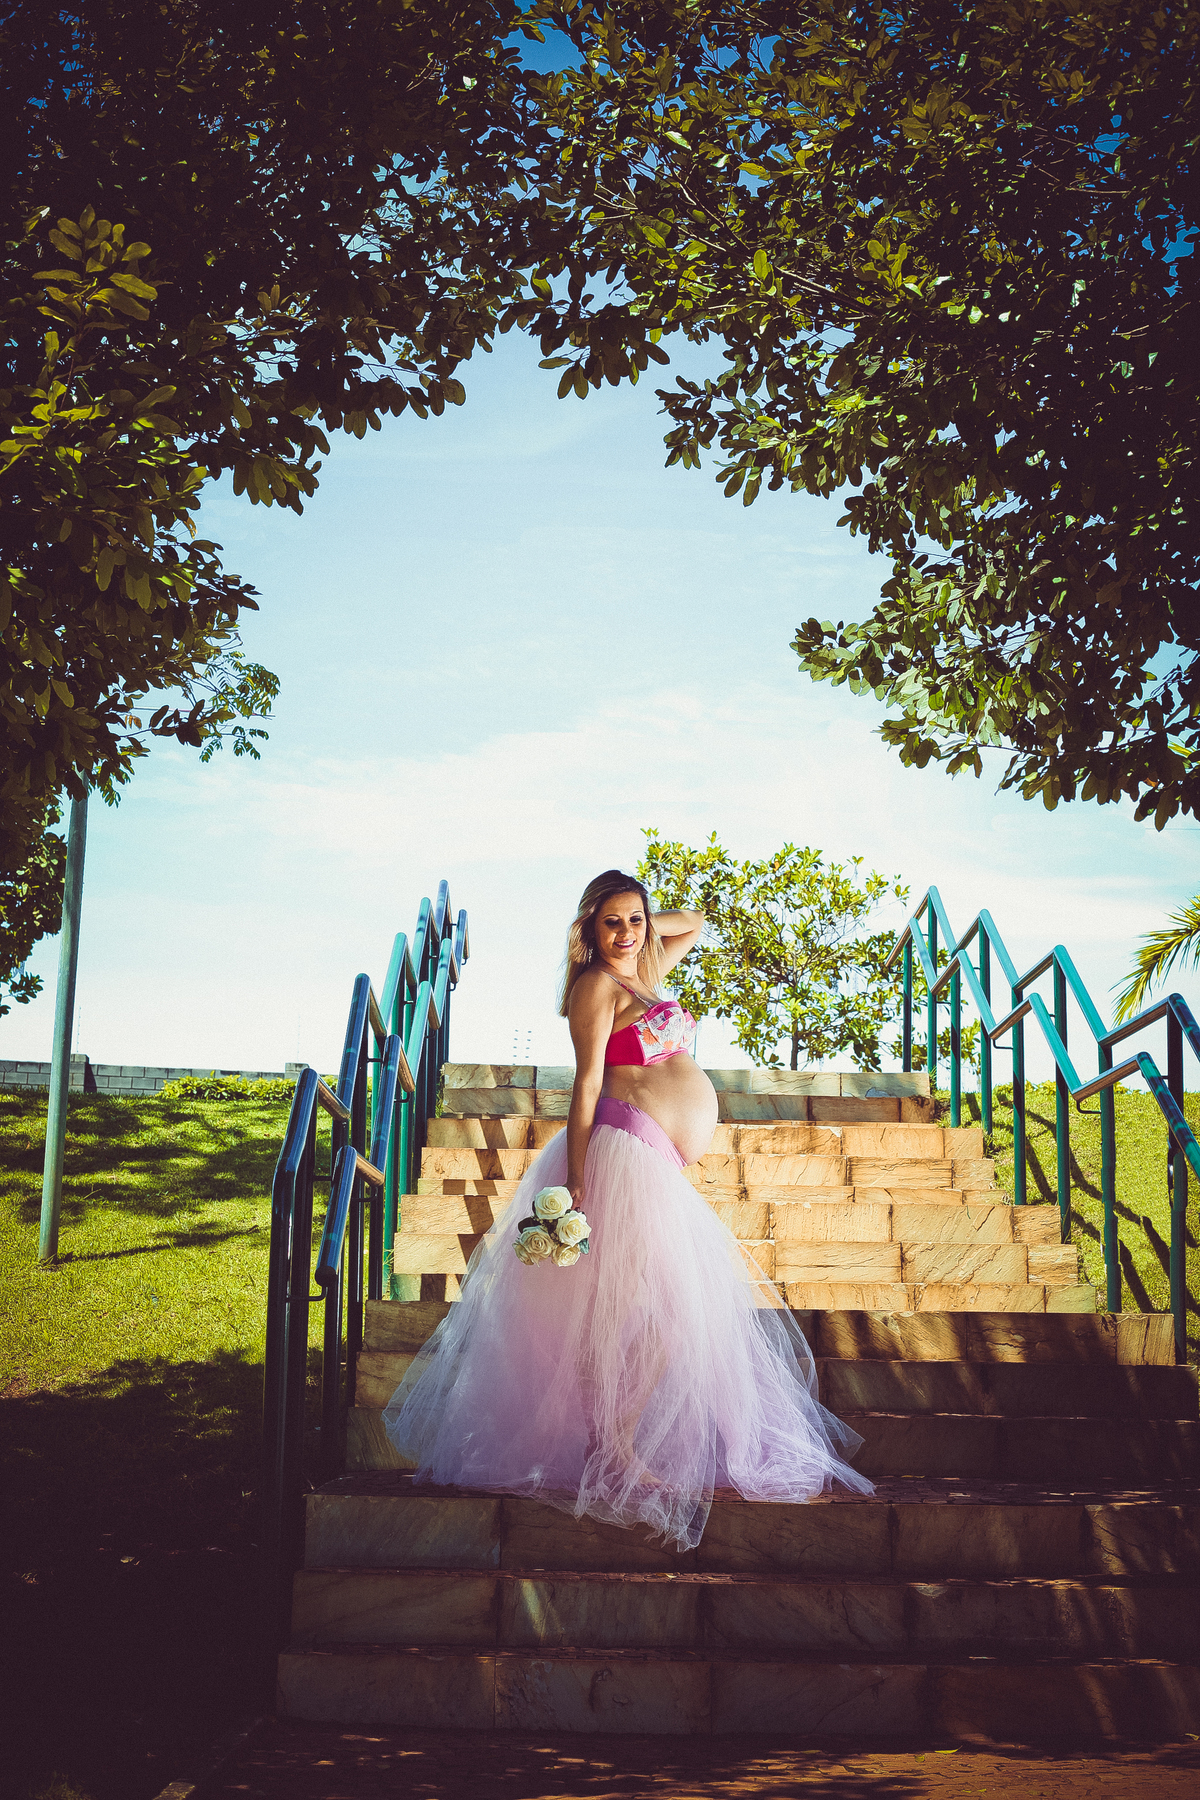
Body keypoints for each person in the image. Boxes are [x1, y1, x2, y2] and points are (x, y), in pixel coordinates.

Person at [382, 868, 871, 1549]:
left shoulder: (642, 972)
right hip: (621, 1152)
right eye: (610, 923)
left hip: (655, 1159)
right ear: (589, 929)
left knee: (665, 1311)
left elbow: (693, 922)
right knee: (640, 1308)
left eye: (634, 920)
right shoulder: (596, 987)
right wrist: (578, 1177)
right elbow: (586, 1083)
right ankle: (613, 1447)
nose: (626, 933)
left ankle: (614, 1441)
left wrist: (640, 920)